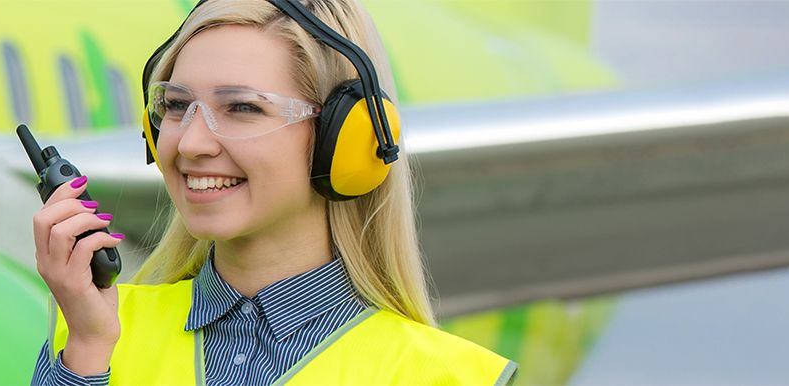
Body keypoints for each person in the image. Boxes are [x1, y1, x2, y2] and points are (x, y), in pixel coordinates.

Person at [29, 0, 514, 384]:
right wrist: (88, 356)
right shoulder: (90, 334)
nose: (191, 143)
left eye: (241, 108)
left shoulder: (449, 378)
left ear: (343, 141)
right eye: (177, 106)